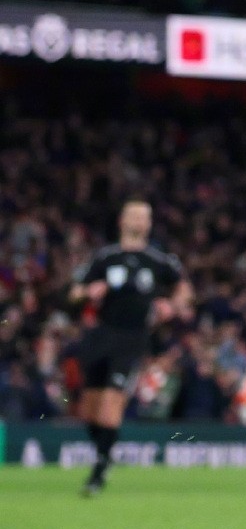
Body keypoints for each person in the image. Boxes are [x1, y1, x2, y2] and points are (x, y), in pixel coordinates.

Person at [66, 199, 191, 495]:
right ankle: (105, 454)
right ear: (122, 221)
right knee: (89, 410)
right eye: (133, 215)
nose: (138, 221)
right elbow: (74, 293)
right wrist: (88, 291)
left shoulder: (159, 260)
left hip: (133, 339)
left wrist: (172, 305)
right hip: (101, 337)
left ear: (149, 224)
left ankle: (98, 474)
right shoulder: (105, 257)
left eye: (144, 216)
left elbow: (184, 288)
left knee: (112, 403)